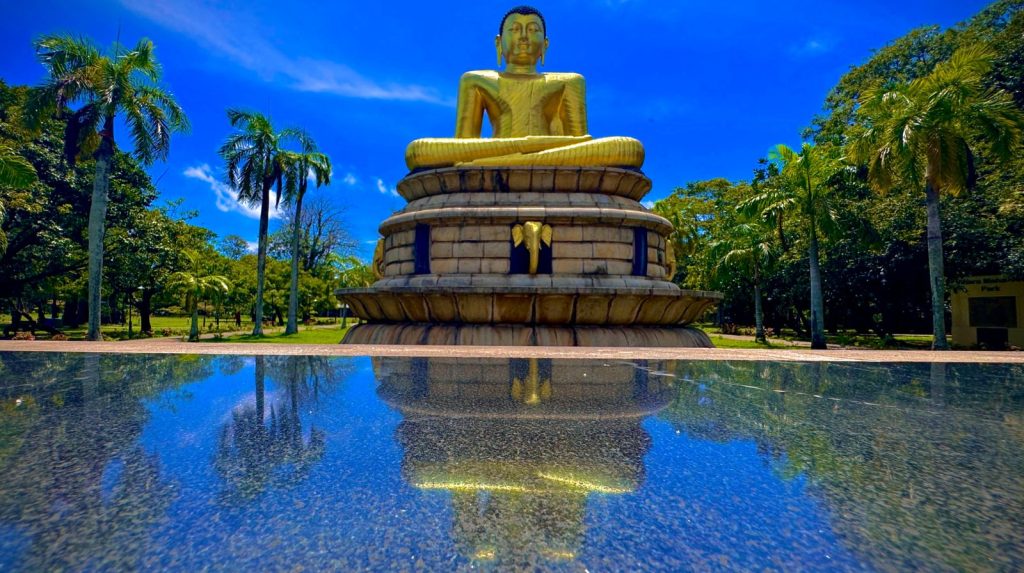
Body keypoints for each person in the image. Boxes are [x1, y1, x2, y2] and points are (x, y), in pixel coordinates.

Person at [404, 5, 644, 170]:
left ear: (545, 45)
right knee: (418, 150)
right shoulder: (475, 80)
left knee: (629, 149)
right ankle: (526, 150)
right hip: (522, 153)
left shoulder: (569, 81)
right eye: (515, 29)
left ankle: (513, 158)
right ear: (499, 43)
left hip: (554, 159)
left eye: (532, 29)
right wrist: (527, 146)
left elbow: (579, 149)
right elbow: (462, 151)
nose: (523, 37)